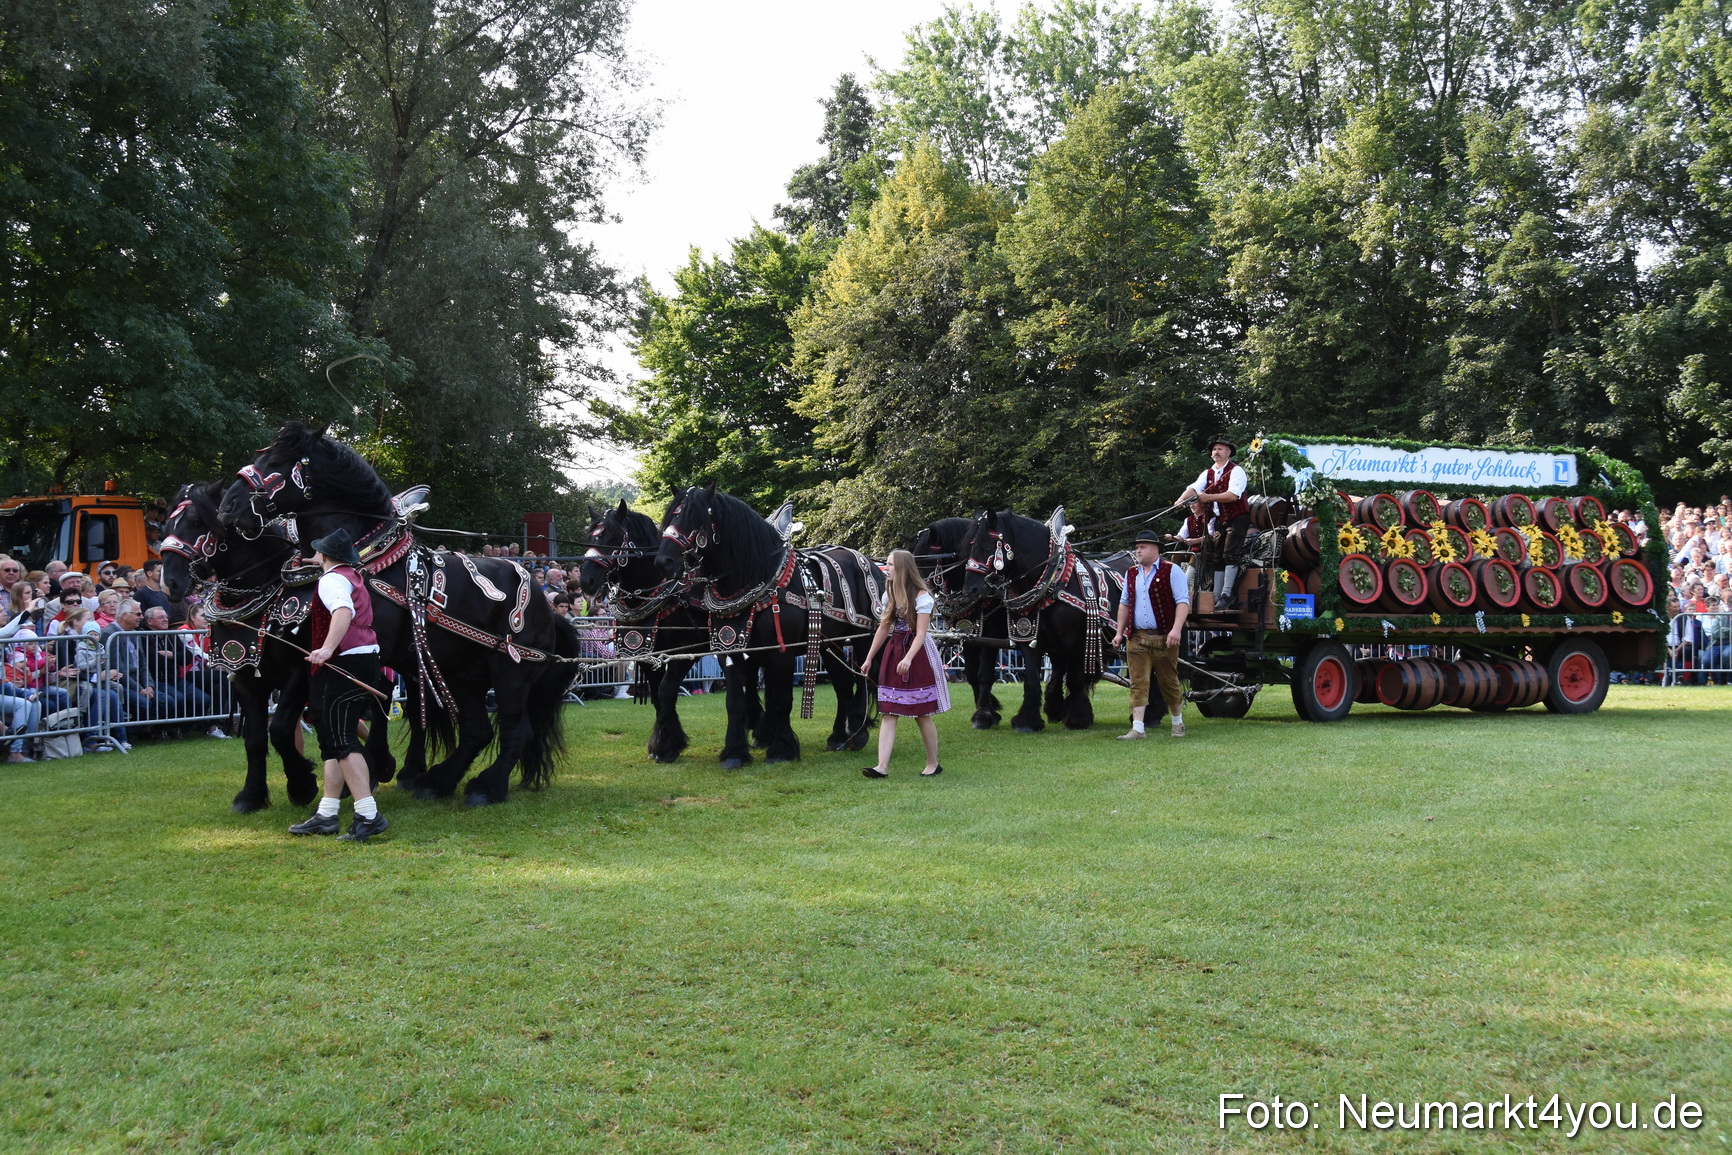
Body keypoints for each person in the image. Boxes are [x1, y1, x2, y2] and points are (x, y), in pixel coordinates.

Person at [289, 528, 388, 841]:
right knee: (333, 738)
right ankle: (327, 813)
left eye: (318, 551)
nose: (314, 554)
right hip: (361, 659)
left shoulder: (331, 579)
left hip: (347, 660)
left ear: (327, 556)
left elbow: (343, 612)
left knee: (343, 740)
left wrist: (327, 648)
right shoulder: (351, 575)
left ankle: (369, 815)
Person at [860, 549, 949, 778]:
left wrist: (908, 658)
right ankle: (882, 766)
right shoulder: (889, 595)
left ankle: (933, 763)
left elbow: (920, 634)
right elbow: (884, 628)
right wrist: (869, 658)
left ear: (902, 568)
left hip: (917, 654)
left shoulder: (922, 597)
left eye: (890, 565)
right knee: (889, 710)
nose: (886, 568)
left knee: (921, 712)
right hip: (894, 650)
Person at [1110, 528, 1191, 739]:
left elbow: (1183, 601)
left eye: (1142, 547)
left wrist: (1176, 629)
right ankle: (1138, 728)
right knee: (1137, 682)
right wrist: (1119, 632)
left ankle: (1177, 723)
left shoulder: (1172, 571)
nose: (1137, 551)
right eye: (1137, 547)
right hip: (1137, 637)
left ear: (1154, 549)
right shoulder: (1131, 573)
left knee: (1169, 682)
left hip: (1164, 637)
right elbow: (1124, 604)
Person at [1176, 435, 1250, 609]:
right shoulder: (1208, 473)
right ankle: (1215, 596)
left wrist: (1208, 497)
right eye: (1214, 449)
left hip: (1237, 518)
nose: (1216, 452)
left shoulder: (1236, 470)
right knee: (1217, 557)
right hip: (1220, 520)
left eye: (1220, 449)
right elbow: (1194, 488)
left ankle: (1226, 594)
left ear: (1228, 452)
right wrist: (1179, 502)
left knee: (1229, 555)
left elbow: (1233, 495)